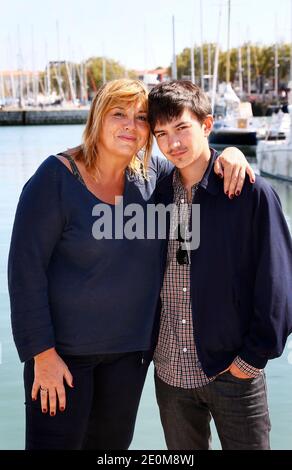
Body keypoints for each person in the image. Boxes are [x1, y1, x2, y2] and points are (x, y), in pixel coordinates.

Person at [8, 78, 254, 450]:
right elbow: (24, 273)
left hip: (130, 358)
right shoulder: (54, 179)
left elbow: (195, 161)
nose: (131, 125)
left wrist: (230, 154)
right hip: (62, 359)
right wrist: (41, 355)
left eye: (141, 117)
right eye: (118, 113)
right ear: (97, 118)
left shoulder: (153, 176)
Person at [148, 80, 292, 450]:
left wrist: (252, 358)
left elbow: (279, 282)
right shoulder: (160, 194)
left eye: (182, 128)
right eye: (161, 134)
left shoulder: (250, 192)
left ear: (207, 125)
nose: (172, 144)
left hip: (233, 372)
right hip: (170, 374)